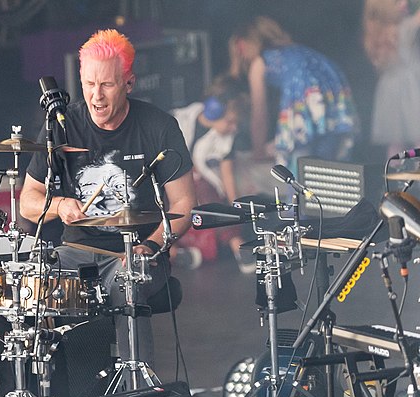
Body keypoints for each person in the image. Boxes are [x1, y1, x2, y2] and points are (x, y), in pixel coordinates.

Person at [19, 28, 196, 371]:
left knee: (126, 284)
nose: (96, 96)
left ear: (129, 83)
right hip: (76, 251)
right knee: (28, 285)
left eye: (107, 85)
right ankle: (48, 396)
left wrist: (151, 245)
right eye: (88, 85)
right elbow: (28, 199)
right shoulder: (61, 125)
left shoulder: (159, 127)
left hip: (136, 251)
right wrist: (59, 206)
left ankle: (138, 391)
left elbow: (184, 205)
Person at [229, 16, 358, 174]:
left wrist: (258, 152)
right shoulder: (300, 52)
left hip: (304, 102)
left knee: (298, 169)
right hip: (335, 105)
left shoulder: (260, 62)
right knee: (329, 170)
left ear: (242, 45)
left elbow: (259, 113)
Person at [170, 74, 256, 274]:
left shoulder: (227, 139)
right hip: (172, 186)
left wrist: (237, 208)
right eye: (230, 121)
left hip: (205, 190)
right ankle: (175, 253)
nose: (233, 128)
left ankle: (238, 246)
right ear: (214, 109)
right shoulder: (180, 120)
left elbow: (226, 175)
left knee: (205, 192)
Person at [363, 0, 420, 157]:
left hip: (390, 88)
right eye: (397, 2)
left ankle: (392, 174)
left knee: (395, 142)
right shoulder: (403, 28)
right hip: (410, 88)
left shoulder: (376, 32)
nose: (404, 4)